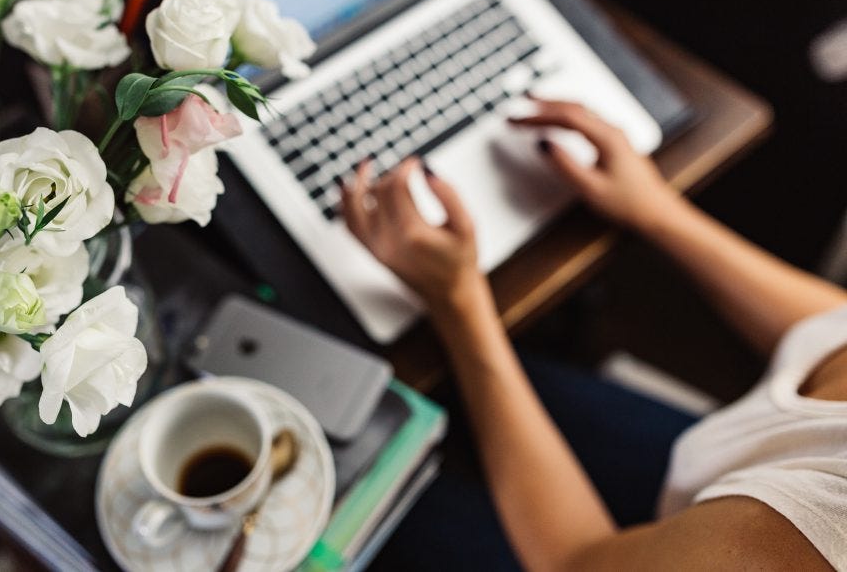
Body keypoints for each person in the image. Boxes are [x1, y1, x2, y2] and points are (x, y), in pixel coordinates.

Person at [341, 99, 847, 570]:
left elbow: (578, 558)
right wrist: (657, 208)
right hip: (731, 463)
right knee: (496, 378)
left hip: (613, 549)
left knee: (380, 494)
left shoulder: (812, 534)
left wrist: (458, 305)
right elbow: (831, 331)